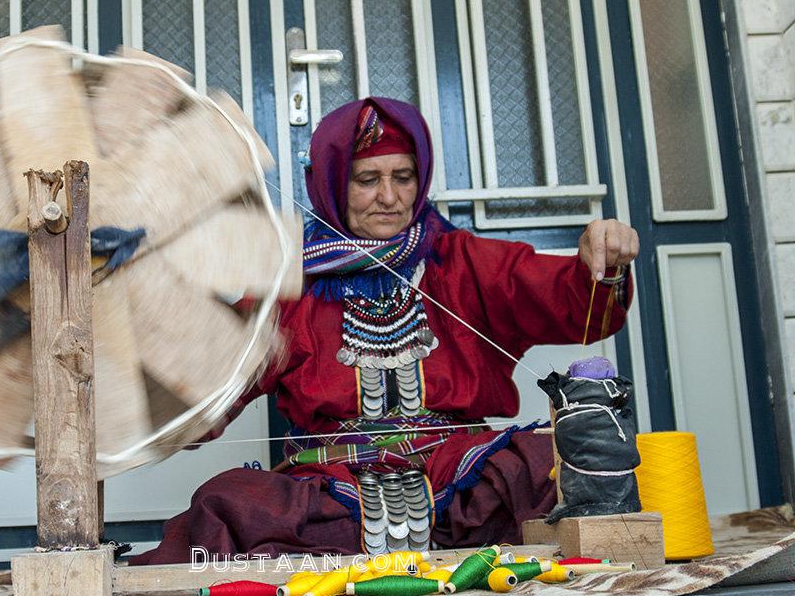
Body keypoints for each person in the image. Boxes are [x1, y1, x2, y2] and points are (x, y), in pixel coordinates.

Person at [133, 96, 638, 565]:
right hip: (333, 486)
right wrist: (149, 329)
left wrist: (601, 259)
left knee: (543, 460)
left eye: (403, 176)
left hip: (458, 477)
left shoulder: (459, 261)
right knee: (227, 504)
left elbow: (577, 303)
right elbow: (209, 388)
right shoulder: (288, 285)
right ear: (331, 183)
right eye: (367, 179)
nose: (390, 197)